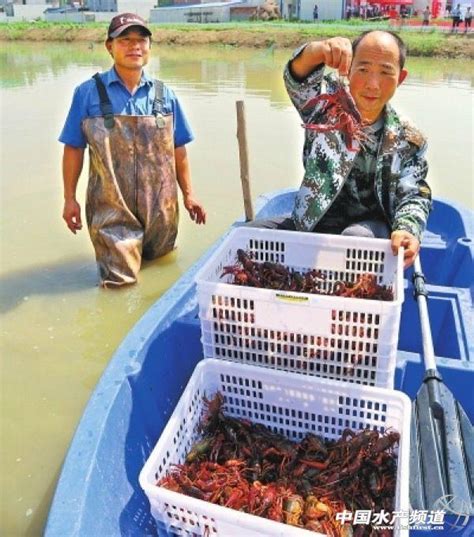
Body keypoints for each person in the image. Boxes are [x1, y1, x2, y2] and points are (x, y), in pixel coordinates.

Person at [248, 31, 432, 269]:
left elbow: (414, 194)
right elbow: (298, 80)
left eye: (386, 72)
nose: (372, 84)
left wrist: (407, 229)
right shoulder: (326, 106)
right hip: (312, 220)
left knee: (355, 239)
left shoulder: (409, 139)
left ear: (401, 77)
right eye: (363, 69)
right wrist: (319, 50)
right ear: (349, 69)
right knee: (247, 237)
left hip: (369, 232)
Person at [59, 13, 206, 288]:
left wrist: (189, 195)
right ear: (109, 46)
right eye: (125, 40)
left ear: (149, 47)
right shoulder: (87, 94)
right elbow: (73, 148)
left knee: (161, 275)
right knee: (119, 285)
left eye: (141, 40)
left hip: (162, 210)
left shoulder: (165, 95)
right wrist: (69, 198)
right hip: (111, 212)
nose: (134, 46)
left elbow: (178, 148)